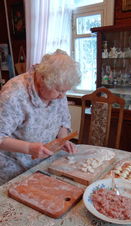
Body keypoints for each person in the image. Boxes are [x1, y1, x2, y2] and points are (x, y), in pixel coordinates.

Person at [0, 49, 81, 185]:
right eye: (59, 91)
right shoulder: (13, 94)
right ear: (43, 79)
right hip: (14, 170)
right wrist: (29, 148)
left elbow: (63, 120)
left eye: (65, 91)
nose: (62, 96)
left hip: (44, 163)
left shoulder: (57, 85)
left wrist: (62, 139)